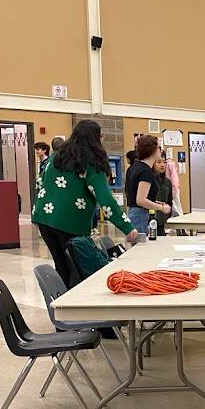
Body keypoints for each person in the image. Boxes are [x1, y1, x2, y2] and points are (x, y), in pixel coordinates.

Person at [31, 120, 138, 286]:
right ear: (94, 138)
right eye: (100, 135)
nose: (102, 139)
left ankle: (62, 299)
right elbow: (105, 200)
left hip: (44, 217)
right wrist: (127, 227)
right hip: (70, 220)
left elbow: (41, 182)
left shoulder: (56, 156)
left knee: (61, 264)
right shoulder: (91, 162)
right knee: (77, 267)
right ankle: (74, 303)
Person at [125, 134, 171, 234]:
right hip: (139, 215)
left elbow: (136, 194)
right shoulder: (146, 171)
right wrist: (162, 208)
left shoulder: (135, 167)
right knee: (140, 247)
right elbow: (141, 200)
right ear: (153, 150)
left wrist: (156, 203)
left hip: (134, 213)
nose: (160, 150)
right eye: (159, 147)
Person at [152, 154, 174, 236]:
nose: (162, 165)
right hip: (151, 219)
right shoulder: (149, 179)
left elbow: (169, 200)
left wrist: (168, 212)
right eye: (159, 162)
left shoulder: (167, 182)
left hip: (163, 219)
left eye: (164, 162)